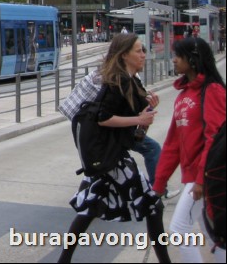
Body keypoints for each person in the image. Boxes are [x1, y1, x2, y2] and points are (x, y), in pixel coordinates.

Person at [57, 33, 170, 263]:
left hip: (112, 155)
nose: (143, 55)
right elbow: (102, 117)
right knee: (153, 206)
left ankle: (63, 261)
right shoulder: (116, 81)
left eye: (143, 50)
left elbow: (136, 137)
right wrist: (138, 119)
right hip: (111, 158)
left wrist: (145, 116)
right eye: (138, 51)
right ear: (124, 54)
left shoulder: (133, 82)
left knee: (90, 209)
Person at [153, 37, 227, 263]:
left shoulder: (213, 91)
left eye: (178, 56)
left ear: (192, 60)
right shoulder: (183, 96)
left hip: (207, 177)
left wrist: (202, 179)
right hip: (195, 178)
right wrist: (159, 182)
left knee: (178, 230)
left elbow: (215, 140)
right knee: (215, 236)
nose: (173, 60)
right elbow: (172, 144)